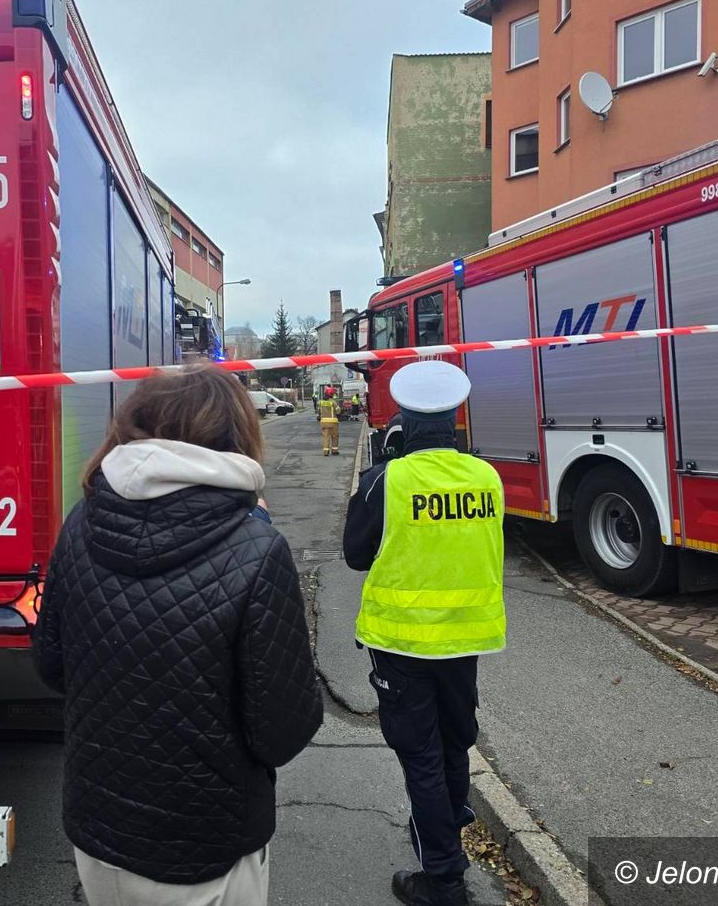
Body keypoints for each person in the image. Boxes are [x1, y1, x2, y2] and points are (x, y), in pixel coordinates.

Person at [34, 365, 323, 906]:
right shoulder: (256, 549)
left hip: (98, 831)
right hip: (206, 842)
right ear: (236, 433)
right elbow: (282, 732)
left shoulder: (81, 521)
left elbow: (51, 666)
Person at [342, 360, 506, 906]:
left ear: (404, 422)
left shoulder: (388, 480)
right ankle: (444, 832)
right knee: (454, 743)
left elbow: (354, 554)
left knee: (420, 756)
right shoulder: (487, 476)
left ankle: (443, 878)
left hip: (404, 642)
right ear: (456, 421)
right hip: (467, 639)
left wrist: (386, 468)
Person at [318, 386, 341, 456]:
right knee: (335, 436)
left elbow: (319, 411)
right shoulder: (333, 402)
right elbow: (338, 411)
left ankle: (325, 451)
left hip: (324, 422)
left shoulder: (320, 402)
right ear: (331, 394)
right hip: (333, 422)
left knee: (325, 437)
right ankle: (334, 451)